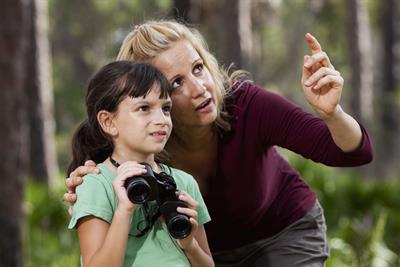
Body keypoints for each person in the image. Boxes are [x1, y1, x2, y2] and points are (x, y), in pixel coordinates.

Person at [64, 20, 373, 267]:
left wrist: (332, 114)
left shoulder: (249, 106)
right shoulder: (132, 137)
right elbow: (90, 191)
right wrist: (82, 185)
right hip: (202, 252)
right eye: (176, 83)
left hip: (282, 233)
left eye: (198, 68)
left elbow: (351, 152)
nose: (200, 88)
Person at [67, 60, 214, 267]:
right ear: (109, 122)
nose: (161, 119)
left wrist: (190, 244)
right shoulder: (96, 184)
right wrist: (124, 211)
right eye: (144, 108)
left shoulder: (184, 182)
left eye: (166, 108)